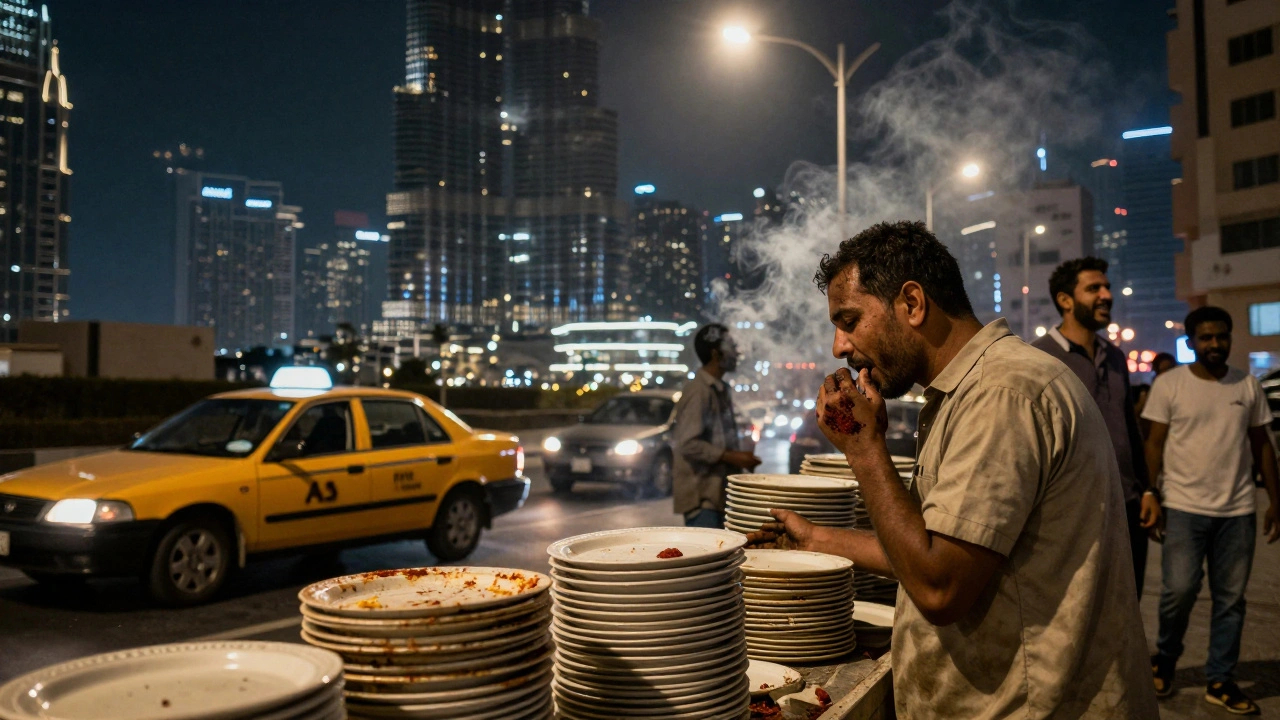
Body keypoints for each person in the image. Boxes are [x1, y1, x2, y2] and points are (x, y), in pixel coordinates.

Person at [752, 221, 1157, 718]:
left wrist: (864, 449)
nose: (839, 346)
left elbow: (939, 586)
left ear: (913, 303)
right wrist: (813, 539)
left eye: (851, 320)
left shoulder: (1002, 393)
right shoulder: (968, 390)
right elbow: (936, 545)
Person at [1144, 306, 1278, 714]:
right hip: (1183, 508)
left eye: (1221, 336)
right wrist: (1153, 492)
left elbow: (1262, 445)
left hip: (1238, 511)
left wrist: (1276, 498)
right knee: (1178, 592)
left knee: (1231, 600)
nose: (1215, 344)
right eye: (1206, 338)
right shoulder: (1170, 385)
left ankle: (1220, 678)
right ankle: (1165, 659)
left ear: (1230, 337)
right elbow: (1154, 443)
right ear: (1191, 342)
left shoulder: (1247, 385)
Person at [1032, 257, 1159, 596]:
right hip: (1074, 512)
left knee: (1129, 604)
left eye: (1107, 287)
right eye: (1093, 289)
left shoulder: (1115, 357)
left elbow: (1129, 428)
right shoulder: (1038, 359)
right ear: (1065, 300)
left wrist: (1147, 489)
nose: (1106, 295)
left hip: (1128, 506)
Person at [671, 323, 761, 528]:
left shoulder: (719, 389)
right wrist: (733, 456)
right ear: (715, 353)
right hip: (703, 501)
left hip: (718, 498)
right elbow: (688, 444)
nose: (737, 352)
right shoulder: (699, 391)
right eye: (731, 346)